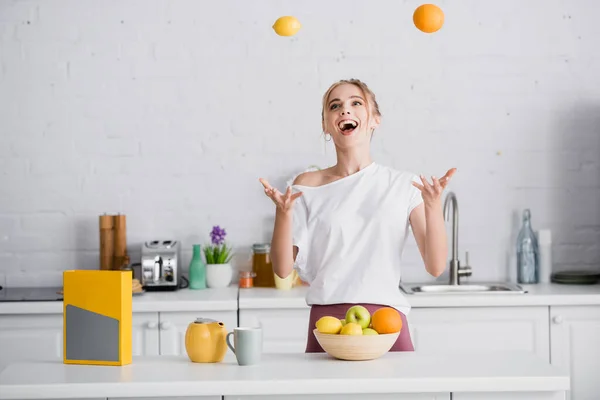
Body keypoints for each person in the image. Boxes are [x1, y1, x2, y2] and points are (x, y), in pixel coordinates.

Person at [259, 78, 456, 352]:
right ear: (326, 125)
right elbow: (282, 269)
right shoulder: (308, 185)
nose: (344, 110)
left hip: (387, 323)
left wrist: (433, 207)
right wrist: (283, 214)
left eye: (356, 103)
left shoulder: (403, 185)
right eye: (335, 106)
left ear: (375, 119)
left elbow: (435, 266)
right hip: (328, 324)